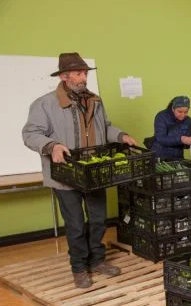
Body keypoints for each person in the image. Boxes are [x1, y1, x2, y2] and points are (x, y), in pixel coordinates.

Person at [22, 52, 137, 289]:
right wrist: (51, 146)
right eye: (78, 73)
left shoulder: (95, 101)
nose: (83, 77)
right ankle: (79, 268)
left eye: (85, 73)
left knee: (98, 220)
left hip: (92, 173)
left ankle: (97, 261)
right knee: (75, 224)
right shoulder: (44, 104)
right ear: (64, 76)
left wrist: (121, 135)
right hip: (65, 175)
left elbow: (104, 127)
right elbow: (30, 134)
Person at [150, 96, 191, 160]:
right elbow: (160, 138)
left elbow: (186, 144)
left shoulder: (188, 121)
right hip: (160, 156)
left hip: (178, 157)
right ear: (173, 109)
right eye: (180, 112)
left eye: (186, 112)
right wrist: (180, 139)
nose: (183, 115)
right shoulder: (161, 117)